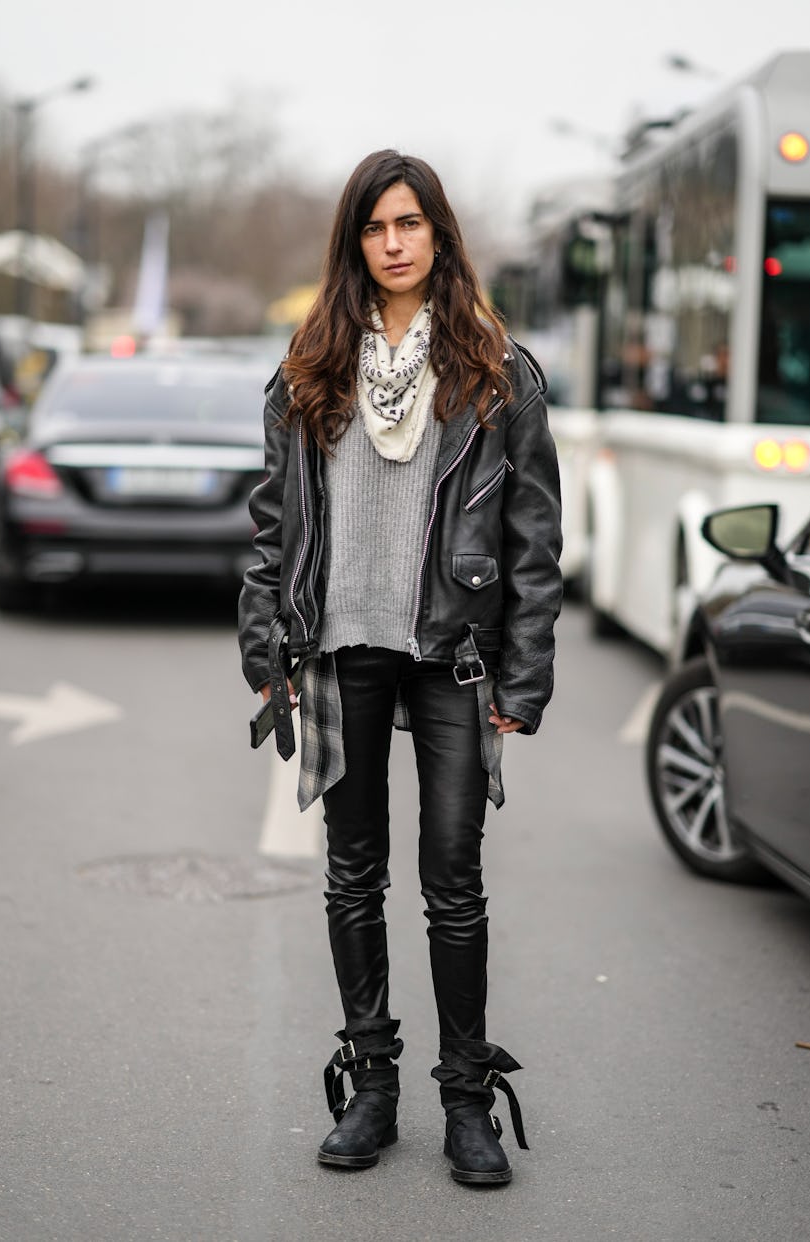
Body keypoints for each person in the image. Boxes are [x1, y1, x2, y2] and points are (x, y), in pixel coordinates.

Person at [238, 150, 562, 1186]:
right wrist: (265, 644)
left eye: (411, 224)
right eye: (376, 227)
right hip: (342, 650)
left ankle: (466, 1099)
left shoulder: (494, 369)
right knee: (352, 873)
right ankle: (372, 1087)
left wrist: (524, 678)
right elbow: (272, 524)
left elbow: (532, 543)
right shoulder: (311, 365)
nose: (394, 242)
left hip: (454, 652)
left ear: (439, 236)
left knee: (454, 880)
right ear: (355, 242)